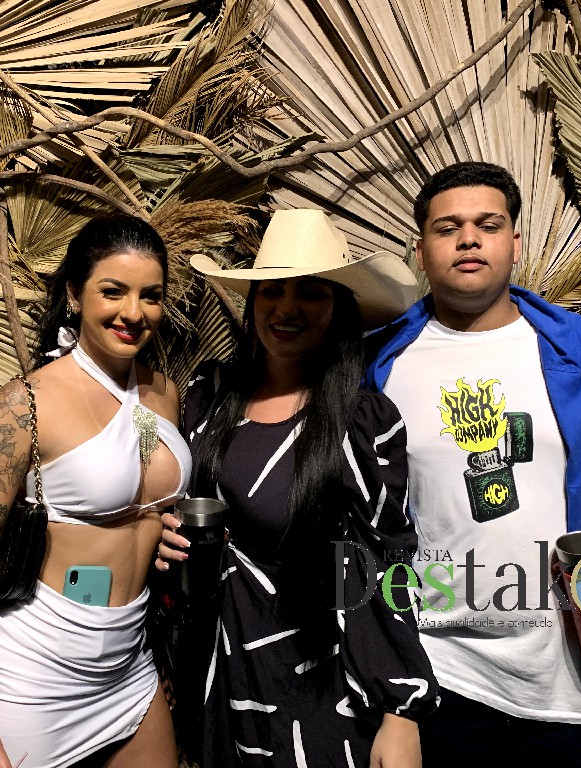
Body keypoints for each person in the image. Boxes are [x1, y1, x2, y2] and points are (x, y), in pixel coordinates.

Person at [364, 161, 581, 765]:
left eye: (488, 225)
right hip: (440, 667)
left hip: (569, 679)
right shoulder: (380, 365)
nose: (469, 239)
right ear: (420, 250)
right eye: (448, 228)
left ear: (514, 243)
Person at [157, 209, 438, 768]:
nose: (286, 308)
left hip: (314, 685)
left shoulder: (361, 423)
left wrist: (399, 708)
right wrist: (159, 532)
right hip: (214, 673)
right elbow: (163, 489)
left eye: (311, 292)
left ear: (339, 309)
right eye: (272, 291)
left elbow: (385, 563)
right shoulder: (209, 397)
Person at [0, 214, 191, 768]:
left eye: (150, 296)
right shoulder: (26, 403)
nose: (134, 312)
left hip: (130, 661)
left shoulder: (161, 393)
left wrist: (166, 529)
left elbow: (145, 486)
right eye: (113, 291)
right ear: (75, 296)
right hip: (38, 667)